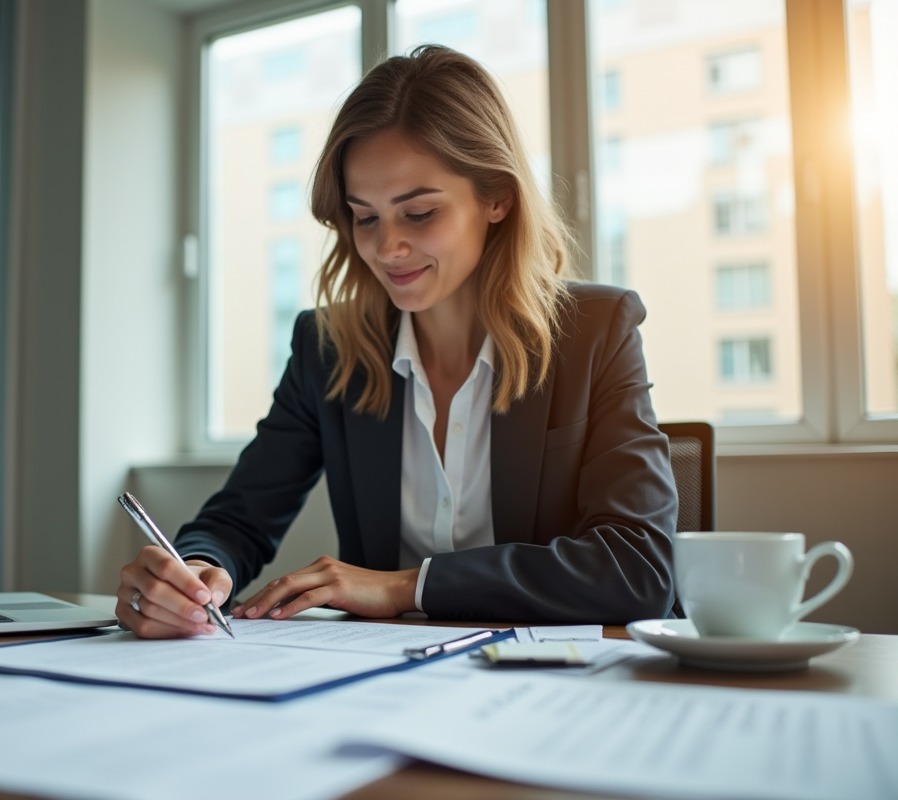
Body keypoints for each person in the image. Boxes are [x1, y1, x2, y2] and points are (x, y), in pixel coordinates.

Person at [116, 45, 678, 638]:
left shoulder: (595, 330)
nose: (387, 249)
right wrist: (196, 570)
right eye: (365, 217)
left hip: (559, 685)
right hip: (389, 679)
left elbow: (637, 567)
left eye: (418, 214)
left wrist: (406, 585)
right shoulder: (328, 348)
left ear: (496, 198)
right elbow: (240, 517)